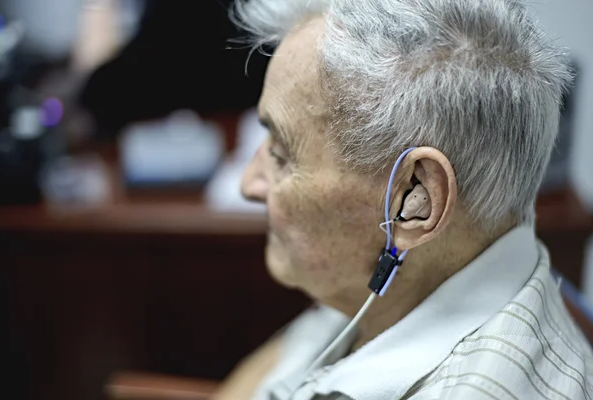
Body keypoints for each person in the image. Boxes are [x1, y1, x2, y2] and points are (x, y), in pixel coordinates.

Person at [214, 0, 592, 399]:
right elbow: (281, 366)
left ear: (416, 201)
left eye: (280, 154)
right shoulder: (387, 281)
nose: (249, 184)